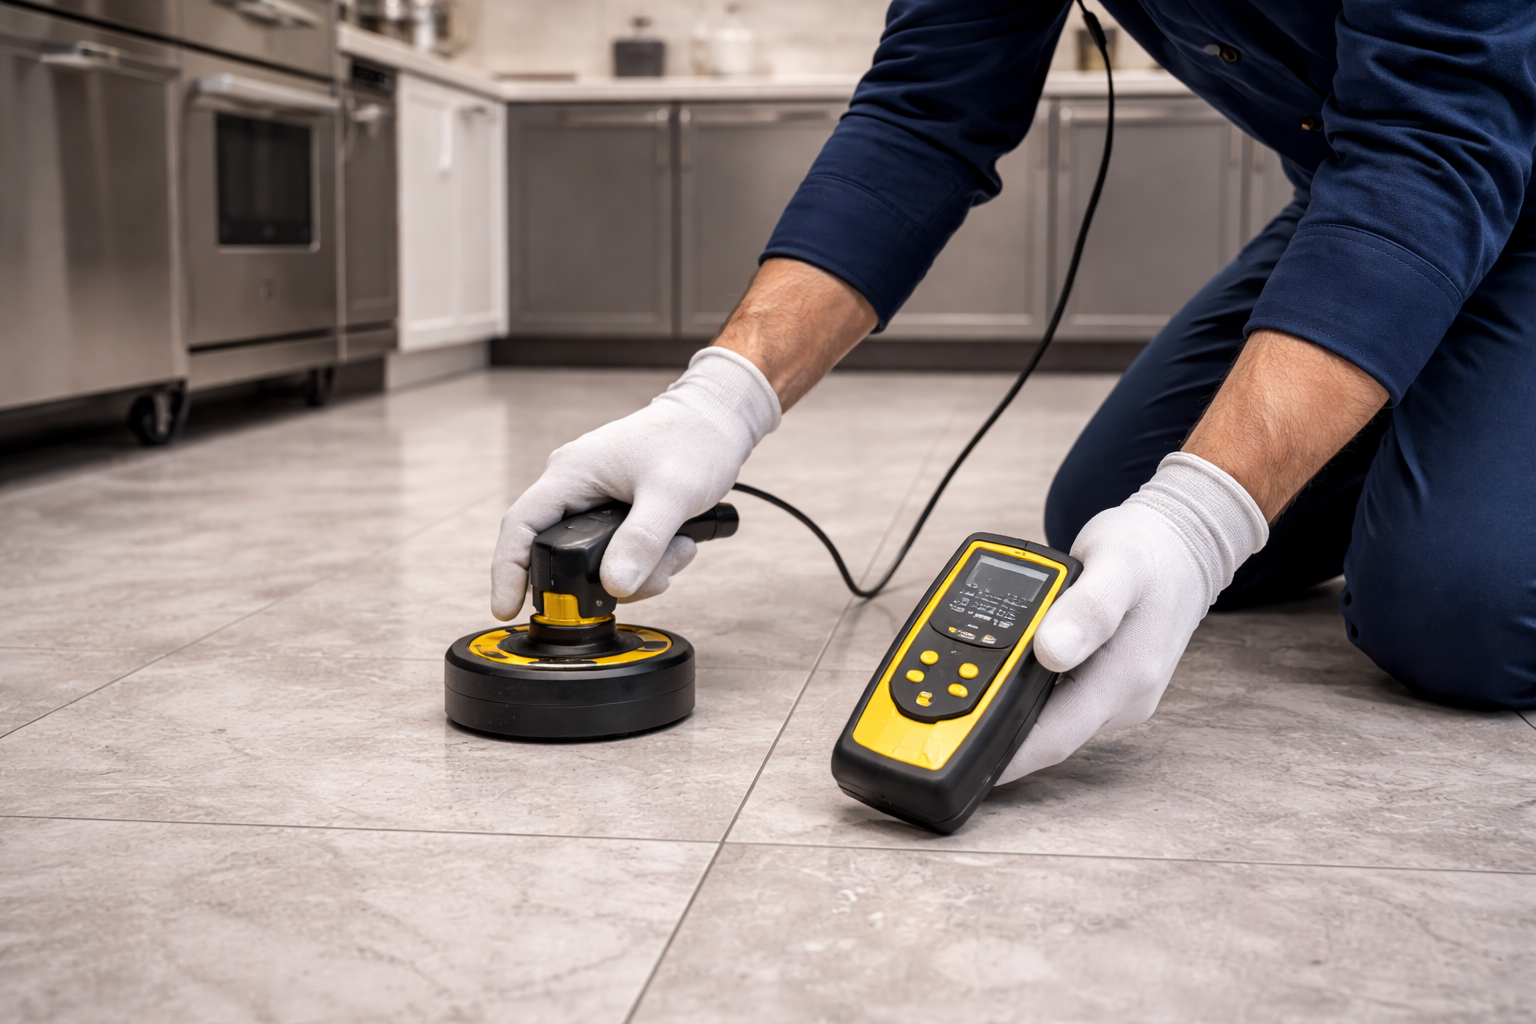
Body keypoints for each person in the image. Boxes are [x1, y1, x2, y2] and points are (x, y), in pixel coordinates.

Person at [492, 1, 1536, 783]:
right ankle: (1430, 383)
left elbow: (1435, 137)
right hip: (1358, 197)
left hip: (1468, 166)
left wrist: (1210, 514)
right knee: (1108, 515)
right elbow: (924, 114)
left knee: (1456, 613)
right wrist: (721, 397)